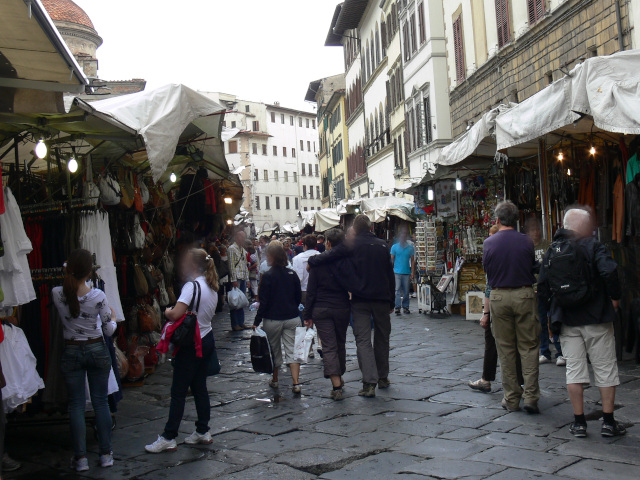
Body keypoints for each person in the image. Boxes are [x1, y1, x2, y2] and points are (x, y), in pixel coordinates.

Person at [538, 208, 625, 438]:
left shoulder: (551, 251)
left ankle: (579, 423)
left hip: (566, 318)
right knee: (605, 368)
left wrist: (548, 316)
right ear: (584, 227)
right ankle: (608, 422)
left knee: (574, 371)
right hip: (596, 316)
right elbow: (610, 271)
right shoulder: (593, 246)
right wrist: (614, 299)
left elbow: (543, 287)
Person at [309, 214, 395, 398]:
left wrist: (313, 261)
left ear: (355, 230)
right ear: (371, 228)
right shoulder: (382, 245)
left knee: (363, 340)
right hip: (381, 299)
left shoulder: (352, 244)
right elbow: (390, 274)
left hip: (360, 298)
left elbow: (331, 254)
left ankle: (369, 383)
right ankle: (383, 377)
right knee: (382, 338)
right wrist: (392, 301)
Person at [146, 248, 219, 453]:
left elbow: (176, 314)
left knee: (178, 391)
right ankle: (203, 431)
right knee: (199, 388)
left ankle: (169, 436)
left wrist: (167, 311)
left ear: (194, 266)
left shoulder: (191, 286)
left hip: (191, 344)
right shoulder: (212, 285)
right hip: (207, 338)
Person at [52, 249, 117, 472]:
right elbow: (108, 331)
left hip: (71, 350)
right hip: (96, 347)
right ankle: (106, 454)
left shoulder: (57, 293)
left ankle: (80, 459)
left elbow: (66, 286)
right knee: (100, 402)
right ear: (90, 271)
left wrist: (66, 270)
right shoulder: (98, 296)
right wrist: (114, 319)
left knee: (76, 405)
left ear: (68, 268)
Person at [483, 201, 540, 414]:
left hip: (499, 296)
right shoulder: (526, 241)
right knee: (529, 346)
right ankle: (531, 396)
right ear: (517, 220)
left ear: (497, 220)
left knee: (505, 348)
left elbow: (487, 271)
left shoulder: (489, 243)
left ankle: (511, 398)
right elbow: (531, 265)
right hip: (524, 294)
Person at [469, 226, 525, 393]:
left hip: (497, 305)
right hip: (517, 302)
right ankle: (520, 384)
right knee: (516, 344)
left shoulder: (493, 257)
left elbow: (489, 287)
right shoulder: (515, 255)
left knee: (495, 343)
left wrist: (485, 314)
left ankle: (491, 380)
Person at [304, 228, 351, 400]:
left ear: (328, 243)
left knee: (329, 346)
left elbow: (311, 291)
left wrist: (307, 314)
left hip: (321, 308)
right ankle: (339, 375)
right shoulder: (346, 261)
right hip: (341, 307)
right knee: (340, 343)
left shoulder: (317, 263)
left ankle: (336, 384)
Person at [253, 243, 303, 394]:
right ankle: (296, 383)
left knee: (274, 350)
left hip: (272, 319)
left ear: (272, 257)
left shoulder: (268, 276)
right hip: (292, 317)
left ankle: (275, 380)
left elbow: (264, 302)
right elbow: (298, 297)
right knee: (293, 350)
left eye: (268, 255)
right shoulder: (292, 274)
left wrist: (257, 321)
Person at [525, 217, 565, 366]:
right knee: (540, 321)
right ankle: (544, 351)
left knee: (553, 319)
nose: (536, 232)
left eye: (538, 229)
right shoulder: (528, 247)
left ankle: (560, 352)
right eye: (533, 230)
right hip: (537, 289)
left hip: (550, 288)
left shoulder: (548, 245)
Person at [228, 230, 250, 331]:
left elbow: (245, 265)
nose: (243, 239)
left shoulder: (242, 249)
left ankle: (241, 322)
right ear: (237, 237)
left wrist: (247, 279)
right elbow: (231, 265)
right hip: (236, 278)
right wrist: (233, 279)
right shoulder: (232, 249)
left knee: (241, 301)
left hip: (242, 277)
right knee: (235, 302)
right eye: (242, 237)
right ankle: (235, 323)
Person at [390, 228, 415, 315]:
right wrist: (390, 271)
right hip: (397, 272)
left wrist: (412, 272)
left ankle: (405, 307)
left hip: (406, 272)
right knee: (397, 290)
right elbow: (392, 260)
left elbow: (412, 261)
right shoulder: (394, 247)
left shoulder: (410, 248)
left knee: (406, 291)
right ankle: (397, 307)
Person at [292, 235, 321, 306]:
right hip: (318, 291)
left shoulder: (297, 258)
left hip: (303, 291)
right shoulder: (321, 256)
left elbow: (295, 278)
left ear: (305, 245)